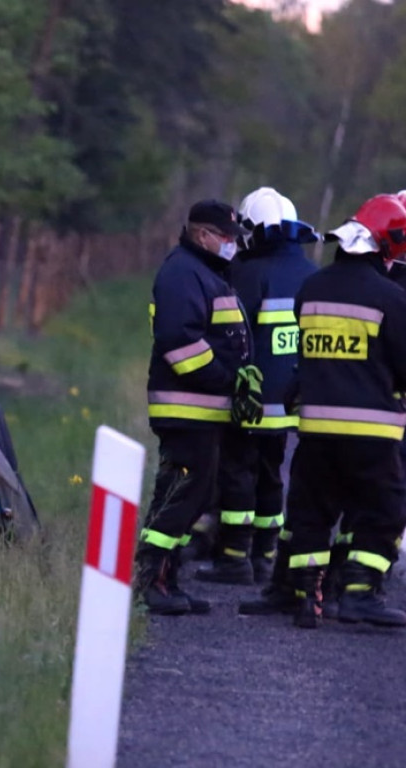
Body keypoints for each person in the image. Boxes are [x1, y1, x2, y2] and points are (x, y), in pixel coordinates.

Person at [254, 194, 406, 628]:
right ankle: (359, 595)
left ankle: (306, 596)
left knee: (310, 512)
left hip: (316, 427)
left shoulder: (312, 288)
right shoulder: (391, 299)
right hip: (372, 433)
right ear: (384, 247)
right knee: (383, 511)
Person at [137, 199, 260, 615]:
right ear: (203, 235)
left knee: (196, 495)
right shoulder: (182, 273)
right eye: (226, 238)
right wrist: (229, 378)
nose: (232, 246)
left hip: (204, 411)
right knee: (179, 494)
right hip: (186, 409)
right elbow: (180, 344)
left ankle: (167, 580)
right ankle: (148, 579)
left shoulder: (205, 273)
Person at [196, 188, 318, 586]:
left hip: (249, 399)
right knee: (272, 474)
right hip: (290, 403)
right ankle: (265, 556)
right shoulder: (310, 274)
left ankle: (234, 558)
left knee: (237, 474)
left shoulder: (246, 274)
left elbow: (229, 333)